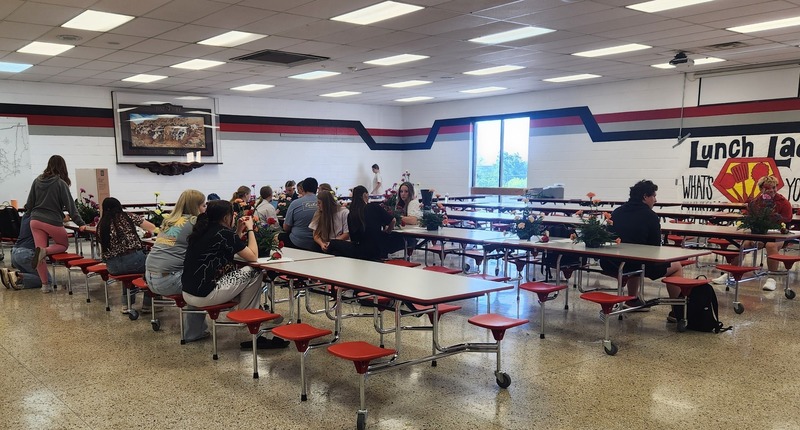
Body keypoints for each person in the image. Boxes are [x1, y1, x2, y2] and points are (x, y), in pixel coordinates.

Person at [181, 200, 287, 349]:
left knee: (242, 276)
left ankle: (255, 313)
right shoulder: (222, 232)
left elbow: (229, 246)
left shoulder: (203, 229)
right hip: (205, 294)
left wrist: (237, 230)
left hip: (188, 292)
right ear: (226, 217)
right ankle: (249, 316)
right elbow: (253, 256)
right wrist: (250, 230)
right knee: (254, 271)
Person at [599, 180, 683, 320]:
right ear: (645, 196)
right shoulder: (651, 216)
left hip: (611, 262)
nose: (655, 200)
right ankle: (677, 311)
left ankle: (633, 299)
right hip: (637, 265)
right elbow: (655, 248)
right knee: (676, 267)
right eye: (654, 196)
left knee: (634, 260)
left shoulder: (617, 212)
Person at [144, 189, 209, 342]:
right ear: (197, 206)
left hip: (150, 278)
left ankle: (198, 329)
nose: (205, 209)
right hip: (168, 280)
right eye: (204, 205)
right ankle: (194, 332)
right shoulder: (194, 222)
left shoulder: (169, 221)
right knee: (199, 285)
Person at [711, 175, 793, 291]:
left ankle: (772, 278)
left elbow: (787, 220)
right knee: (744, 244)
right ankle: (730, 274)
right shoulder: (756, 202)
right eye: (768, 188)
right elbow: (749, 217)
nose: (772, 190)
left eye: (774, 187)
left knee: (771, 245)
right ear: (761, 189)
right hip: (760, 233)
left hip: (779, 234)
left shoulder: (784, 203)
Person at [25, 155, 87, 292]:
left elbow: (29, 204)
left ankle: (45, 285)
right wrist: (80, 223)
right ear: (62, 167)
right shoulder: (60, 183)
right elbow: (71, 206)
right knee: (63, 245)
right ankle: (45, 251)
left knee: (38, 252)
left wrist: (33, 212)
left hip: (35, 220)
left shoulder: (36, 181)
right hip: (52, 221)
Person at [97, 197, 157, 312]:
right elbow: (152, 227)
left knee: (128, 271)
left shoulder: (101, 224)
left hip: (112, 267)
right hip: (133, 260)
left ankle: (126, 304)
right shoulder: (127, 216)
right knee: (153, 266)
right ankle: (148, 304)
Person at [346, 185, 405, 261]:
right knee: (400, 239)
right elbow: (393, 220)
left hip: (359, 252)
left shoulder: (351, 214)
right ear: (365, 195)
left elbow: (353, 238)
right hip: (376, 249)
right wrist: (388, 231)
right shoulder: (373, 207)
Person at [3, 211, 52, 289]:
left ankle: (9, 274)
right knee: (47, 280)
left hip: (15, 252)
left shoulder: (26, 215)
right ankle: (17, 276)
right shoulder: (41, 215)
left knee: (32, 274)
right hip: (27, 254)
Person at [282, 177, 319, 251]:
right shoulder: (323, 203)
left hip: (298, 242)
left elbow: (286, 228)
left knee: (277, 236)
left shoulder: (295, 203)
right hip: (318, 243)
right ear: (317, 189)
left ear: (303, 189)